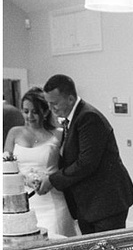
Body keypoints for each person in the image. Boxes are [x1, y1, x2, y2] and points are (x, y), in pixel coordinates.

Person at [39, 74, 133, 234]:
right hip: (89, 205)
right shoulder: (73, 118)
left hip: (105, 204)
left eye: (55, 103)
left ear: (71, 99)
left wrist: (52, 180)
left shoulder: (88, 117)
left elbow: (86, 163)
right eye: (49, 104)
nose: (51, 109)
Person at [4, 88, 78, 238]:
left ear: (45, 112)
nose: (29, 116)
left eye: (35, 112)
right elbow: (6, 168)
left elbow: (70, 165)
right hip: (24, 203)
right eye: (25, 111)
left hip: (52, 200)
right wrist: (25, 180)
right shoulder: (14, 133)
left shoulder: (59, 133)